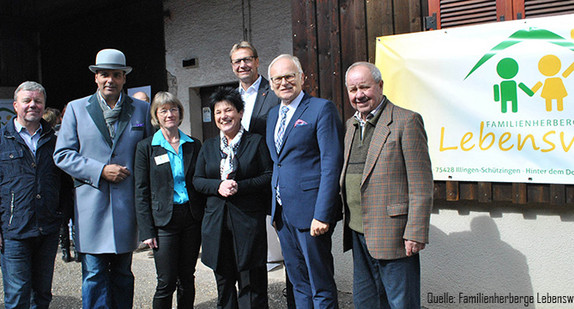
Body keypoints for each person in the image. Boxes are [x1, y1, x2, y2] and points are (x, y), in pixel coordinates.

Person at [53, 48, 153, 308]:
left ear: (124, 79)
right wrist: (99, 170)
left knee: (122, 274)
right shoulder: (76, 109)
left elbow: (150, 153)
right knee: (94, 275)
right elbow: (62, 154)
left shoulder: (141, 110)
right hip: (91, 207)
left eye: (116, 75)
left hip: (126, 207)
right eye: (104, 74)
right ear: (95, 77)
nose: (110, 80)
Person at [341, 62, 433, 308]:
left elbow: (421, 183)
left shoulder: (406, 121)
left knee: (400, 302)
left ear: (380, 85)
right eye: (352, 89)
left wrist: (416, 232)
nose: (358, 95)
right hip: (358, 230)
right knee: (366, 301)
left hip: (394, 234)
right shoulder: (350, 125)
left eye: (364, 87)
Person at [266, 54, 343, 308]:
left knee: (319, 283)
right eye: (278, 78)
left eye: (290, 76)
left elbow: (331, 165)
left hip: (311, 214)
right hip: (283, 214)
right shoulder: (273, 114)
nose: (284, 82)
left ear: (302, 78)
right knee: (298, 282)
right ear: (271, 83)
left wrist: (322, 214)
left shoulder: (321, 109)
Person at [194, 87, 272, 309]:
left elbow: (268, 175)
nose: (223, 116)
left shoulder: (255, 142)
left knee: (252, 283)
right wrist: (218, 186)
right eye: (218, 112)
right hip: (217, 224)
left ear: (240, 112)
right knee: (224, 283)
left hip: (247, 223)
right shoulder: (208, 146)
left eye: (228, 110)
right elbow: (198, 180)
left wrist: (240, 186)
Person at [0, 81, 68, 308]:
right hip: (14, 231)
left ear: (44, 105)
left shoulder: (55, 141)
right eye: (27, 101)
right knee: (18, 294)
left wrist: (60, 215)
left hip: (47, 229)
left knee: (42, 294)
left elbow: (65, 184)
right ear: (15, 105)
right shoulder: (2, 140)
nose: (33, 105)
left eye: (38, 101)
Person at [134, 91, 204, 308]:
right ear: (156, 115)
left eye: (173, 109)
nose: (169, 114)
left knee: (187, 278)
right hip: (164, 222)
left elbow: (200, 183)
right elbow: (141, 190)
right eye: (163, 110)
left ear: (180, 112)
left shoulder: (193, 144)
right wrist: (146, 230)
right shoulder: (146, 147)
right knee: (165, 282)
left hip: (191, 219)